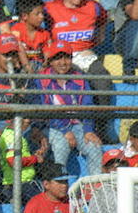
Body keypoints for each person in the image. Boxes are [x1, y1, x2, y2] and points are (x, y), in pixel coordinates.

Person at [42, 0, 113, 140]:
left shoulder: (93, 7)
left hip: (86, 55)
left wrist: (96, 41)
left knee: (103, 80)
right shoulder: (50, 8)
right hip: (61, 57)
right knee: (81, 81)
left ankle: (102, 130)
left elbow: (103, 23)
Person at [30, 40, 102, 177]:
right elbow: (43, 112)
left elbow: (88, 105)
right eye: (58, 58)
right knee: (61, 146)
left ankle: (96, 189)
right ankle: (59, 186)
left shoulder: (80, 78)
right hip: (52, 125)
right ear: (50, 61)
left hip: (77, 124)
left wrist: (88, 129)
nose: (63, 62)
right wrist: (64, 130)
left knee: (95, 147)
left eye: (67, 57)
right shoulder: (41, 80)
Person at [0, 116, 46, 204]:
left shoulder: (15, 135)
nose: (27, 127)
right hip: (21, 183)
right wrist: (35, 159)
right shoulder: (11, 137)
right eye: (26, 123)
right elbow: (13, 161)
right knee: (41, 207)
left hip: (21, 182)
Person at [10, 0, 50, 73]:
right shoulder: (16, 30)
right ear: (25, 16)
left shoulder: (44, 33)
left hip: (39, 65)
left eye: (42, 13)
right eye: (37, 14)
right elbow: (19, 50)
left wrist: (45, 66)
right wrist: (27, 67)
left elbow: (47, 53)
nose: (41, 16)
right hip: (21, 66)